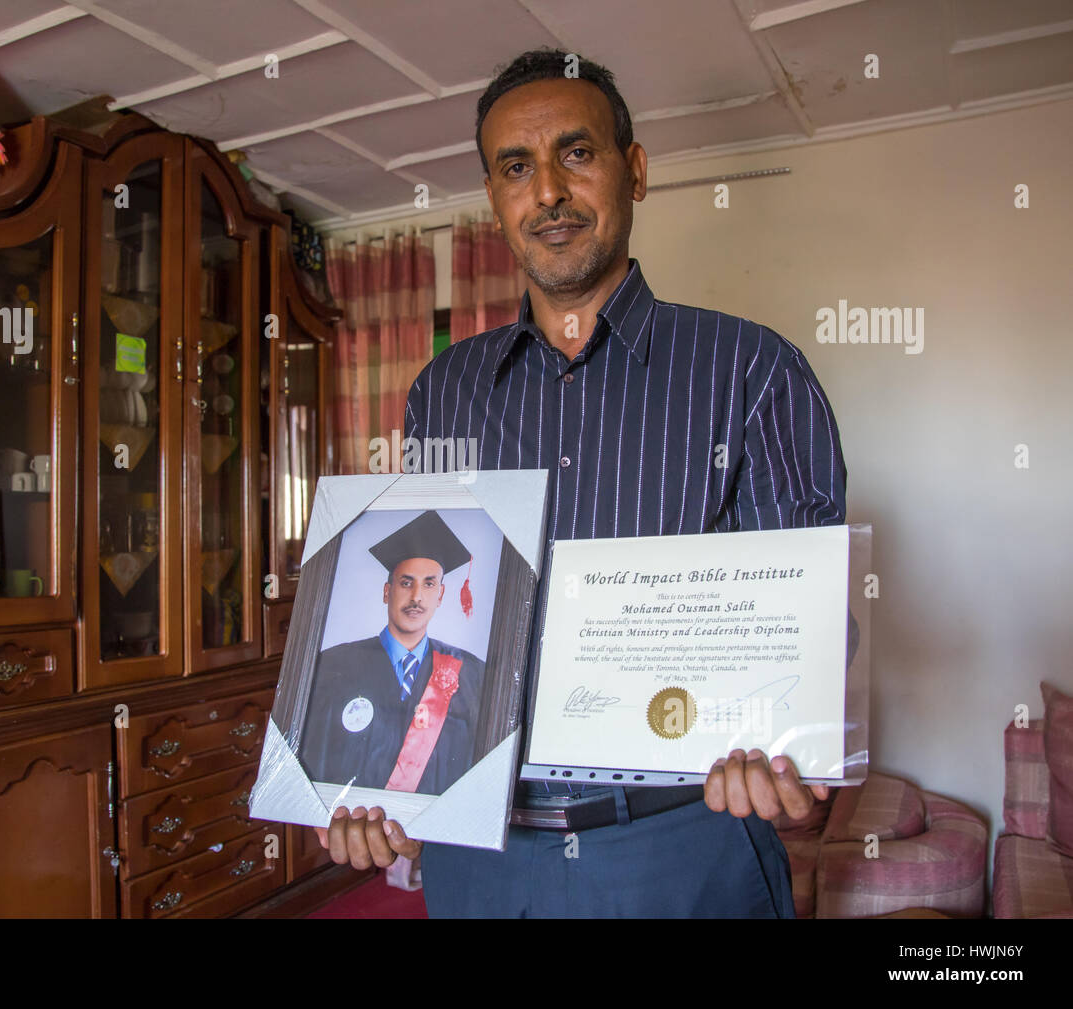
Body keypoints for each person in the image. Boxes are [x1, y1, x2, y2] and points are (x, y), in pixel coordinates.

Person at [315, 48, 847, 917]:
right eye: (516, 168)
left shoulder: (752, 369)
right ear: (495, 196)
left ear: (634, 171)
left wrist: (785, 749)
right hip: (480, 857)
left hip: (682, 844)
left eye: (577, 152)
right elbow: (432, 607)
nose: (549, 192)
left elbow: (805, 621)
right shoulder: (442, 391)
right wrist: (375, 779)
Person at [299, 510, 487, 794]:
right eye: (406, 582)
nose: (416, 597)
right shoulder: (332, 665)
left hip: (440, 833)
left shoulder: (470, 672)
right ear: (387, 591)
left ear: (441, 595)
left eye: (429, 584)